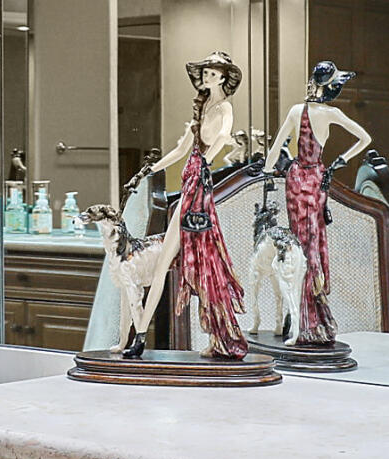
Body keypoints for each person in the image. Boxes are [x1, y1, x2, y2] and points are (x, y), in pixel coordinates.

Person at [266, 62, 373, 350]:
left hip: (297, 178)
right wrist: (341, 160)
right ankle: (307, 318)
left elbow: (277, 146)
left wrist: (266, 173)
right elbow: (365, 138)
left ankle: (304, 318)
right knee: (309, 243)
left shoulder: (298, 111)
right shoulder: (328, 114)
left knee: (302, 244)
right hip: (313, 179)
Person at [149, 52, 248, 357]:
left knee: (203, 258)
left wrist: (204, 160)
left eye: (212, 72)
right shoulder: (203, 107)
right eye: (205, 72)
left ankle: (222, 335)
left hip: (198, 186)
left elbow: (224, 136)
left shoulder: (224, 108)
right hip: (189, 182)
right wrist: (149, 170)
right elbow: (183, 148)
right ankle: (217, 335)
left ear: (222, 77)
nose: (207, 76)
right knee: (196, 259)